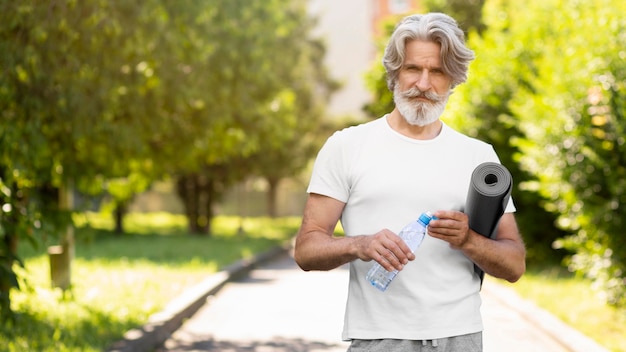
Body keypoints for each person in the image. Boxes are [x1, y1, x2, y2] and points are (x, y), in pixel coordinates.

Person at [293, 12, 526, 352]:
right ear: (394, 73)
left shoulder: (479, 157)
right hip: (379, 338)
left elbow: (514, 264)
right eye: (413, 68)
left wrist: (468, 240)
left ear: (454, 79)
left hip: (459, 337)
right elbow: (306, 249)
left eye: (438, 71)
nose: (423, 84)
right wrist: (358, 245)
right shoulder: (347, 146)